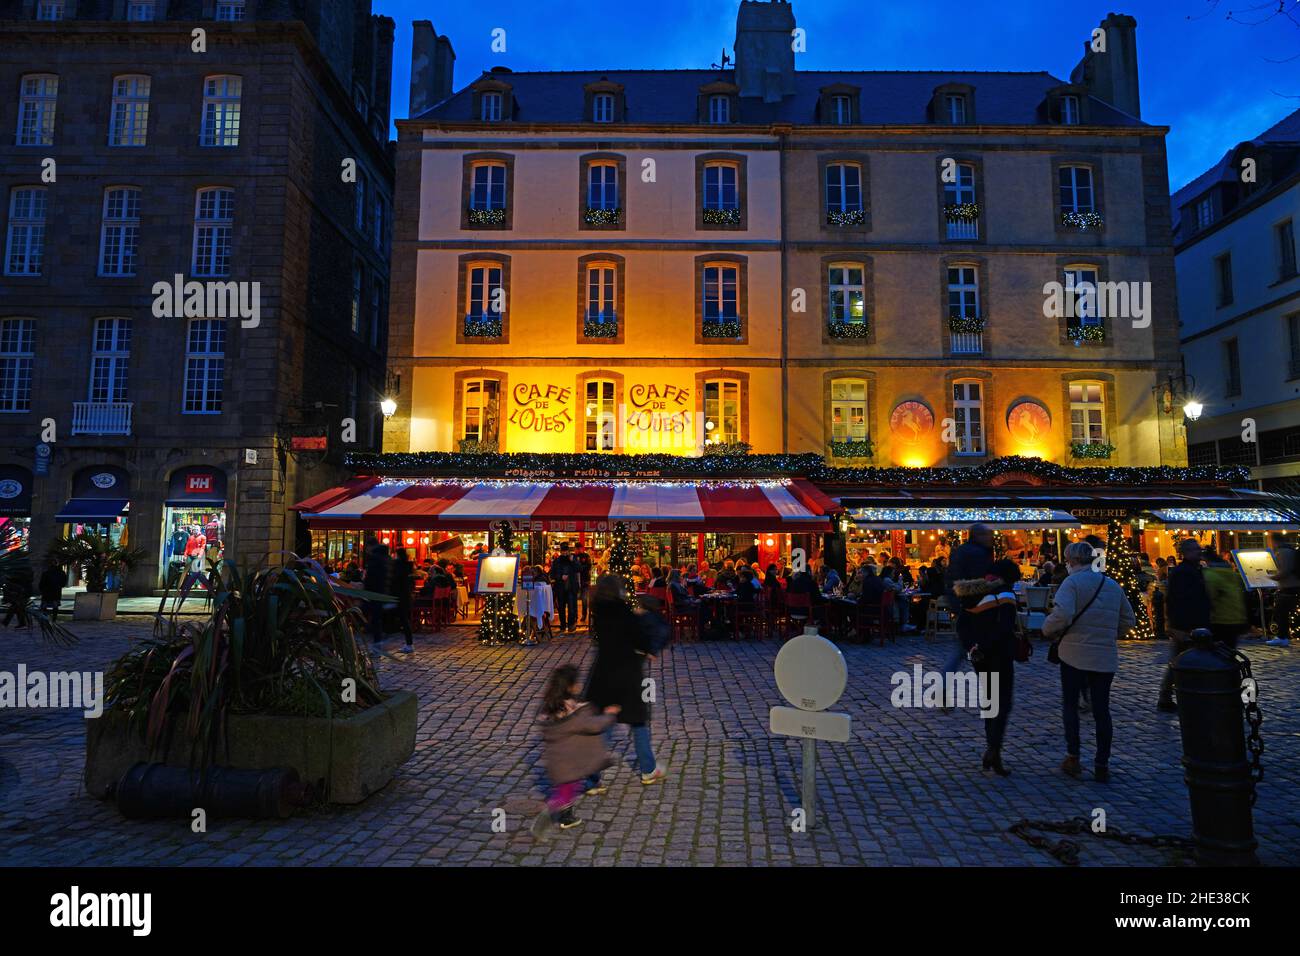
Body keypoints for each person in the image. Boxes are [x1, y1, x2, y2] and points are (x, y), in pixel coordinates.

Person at [1043, 541, 1135, 783]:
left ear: (1072, 561)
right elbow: (1128, 620)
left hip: (1072, 653)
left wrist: (1047, 630)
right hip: (1104, 655)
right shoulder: (1112, 585)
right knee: (1102, 710)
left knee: (1071, 706)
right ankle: (1101, 763)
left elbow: (1062, 615)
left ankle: (1073, 757)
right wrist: (1108, 633)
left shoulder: (1071, 583)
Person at [585, 574, 666, 787]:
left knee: (605, 724)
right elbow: (639, 638)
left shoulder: (599, 612)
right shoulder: (624, 613)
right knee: (638, 722)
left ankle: (592, 779)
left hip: (604, 674)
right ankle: (648, 769)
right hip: (628, 674)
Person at [531, 664, 619, 835]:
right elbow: (594, 726)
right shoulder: (574, 713)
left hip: (556, 762)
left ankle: (566, 817)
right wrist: (609, 714)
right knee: (565, 792)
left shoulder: (550, 707)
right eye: (576, 682)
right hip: (571, 763)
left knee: (566, 789)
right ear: (570, 686)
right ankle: (547, 817)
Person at [952, 558, 1021, 775]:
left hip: (979, 656)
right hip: (999, 654)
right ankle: (994, 748)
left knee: (989, 701)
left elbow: (962, 625)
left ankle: (993, 748)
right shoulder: (1005, 594)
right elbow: (1006, 626)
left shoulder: (973, 594)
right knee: (1003, 702)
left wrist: (973, 647)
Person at [1157, 538, 1212, 712]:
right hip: (1186, 624)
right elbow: (1178, 600)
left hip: (1193, 623)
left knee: (1182, 660)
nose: (1199, 552)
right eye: (1196, 550)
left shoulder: (1193, 570)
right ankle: (1168, 695)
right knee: (1180, 661)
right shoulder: (1183, 572)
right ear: (1187, 552)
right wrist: (1176, 626)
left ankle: (1173, 694)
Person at [943, 524, 995, 701]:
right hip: (976, 607)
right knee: (976, 650)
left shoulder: (961, 551)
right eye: (988, 535)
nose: (991, 538)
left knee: (961, 649)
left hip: (962, 605)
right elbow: (982, 582)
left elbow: (951, 579)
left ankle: (943, 688)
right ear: (979, 535)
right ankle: (988, 692)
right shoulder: (979, 554)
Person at [1202, 551, 1248, 648]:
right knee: (1230, 649)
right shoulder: (1232, 574)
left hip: (1219, 619)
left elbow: (1209, 597)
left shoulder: (1210, 575)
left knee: (1217, 651)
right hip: (1236, 618)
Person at [1266, 546, 1298, 647]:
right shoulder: (1292, 552)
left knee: (1280, 612)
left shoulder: (1285, 552)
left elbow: (1285, 571)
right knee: (1281, 613)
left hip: (1289, 588)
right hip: (1292, 588)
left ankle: (1282, 637)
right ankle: (1283, 636)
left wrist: (1273, 577)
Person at [363, 543, 391, 652]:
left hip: (373, 593)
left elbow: (369, 579)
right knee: (377, 617)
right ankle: (379, 638)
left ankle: (377, 639)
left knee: (373, 617)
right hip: (382, 593)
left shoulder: (374, 561)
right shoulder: (386, 562)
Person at [388, 548, 415, 653]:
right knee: (404, 620)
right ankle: (409, 643)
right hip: (406, 596)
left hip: (396, 596)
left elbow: (393, 580)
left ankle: (383, 642)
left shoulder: (396, 566)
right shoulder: (408, 566)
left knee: (392, 618)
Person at [550, 543, 579, 633]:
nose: (565, 553)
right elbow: (552, 574)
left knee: (571, 608)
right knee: (561, 608)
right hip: (561, 588)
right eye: (563, 551)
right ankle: (562, 625)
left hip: (571, 588)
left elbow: (579, 569)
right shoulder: (557, 561)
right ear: (560, 552)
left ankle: (571, 625)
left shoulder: (572, 559)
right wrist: (560, 577)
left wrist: (573, 561)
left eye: (566, 551)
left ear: (569, 551)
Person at [37, 557, 68, 622]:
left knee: (45, 606)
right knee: (55, 606)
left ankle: (45, 618)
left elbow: (42, 583)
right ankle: (54, 619)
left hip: (47, 592)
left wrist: (42, 589)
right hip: (56, 591)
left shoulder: (46, 572)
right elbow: (63, 582)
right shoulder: (61, 573)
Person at [575, 544, 593, 624]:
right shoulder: (574, 557)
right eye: (577, 549)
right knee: (574, 600)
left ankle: (584, 615)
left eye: (579, 548)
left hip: (584, 581)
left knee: (584, 599)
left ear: (582, 548)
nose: (578, 550)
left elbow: (589, 566)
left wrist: (580, 568)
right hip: (575, 581)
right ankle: (575, 616)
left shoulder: (586, 556)